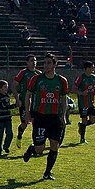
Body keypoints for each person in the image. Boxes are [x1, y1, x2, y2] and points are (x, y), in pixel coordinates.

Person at [23, 53, 70, 181]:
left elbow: (63, 99)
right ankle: (33, 148)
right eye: (45, 63)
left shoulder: (62, 81)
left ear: (55, 65)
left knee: (55, 145)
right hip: (40, 117)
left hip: (55, 117)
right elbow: (28, 95)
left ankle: (47, 172)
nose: (46, 65)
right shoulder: (37, 79)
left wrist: (64, 116)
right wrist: (27, 112)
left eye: (49, 63)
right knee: (40, 150)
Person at [13, 54, 41, 148]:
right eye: (32, 60)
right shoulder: (23, 73)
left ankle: (36, 143)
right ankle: (20, 135)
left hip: (35, 104)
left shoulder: (39, 74)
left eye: (35, 60)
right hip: (24, 102)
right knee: (25, 123)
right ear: (27, 62)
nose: (34, 62)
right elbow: (14, 86)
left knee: (35, 123)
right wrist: (17, 99)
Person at [74, 61, 95, 144]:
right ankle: (82, 138)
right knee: (85, 120)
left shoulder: (93, 77)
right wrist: (82, 93)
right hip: (83, 103)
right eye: (92, 67)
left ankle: (81, 126)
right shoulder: (81, 78)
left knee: (93, 120)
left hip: (91, 102)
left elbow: (94, 86)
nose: (94, 69)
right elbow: (74, 89)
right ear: (87, 68)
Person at [0, 79, 16, 156]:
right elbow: (1, 107)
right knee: (0, 135)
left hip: (8, 118)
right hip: (0, 118)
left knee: (10, 134)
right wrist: (14, 106)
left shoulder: (6, 96)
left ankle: (6, 146)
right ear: (0, 88)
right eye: (5, 87)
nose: (7, 88)